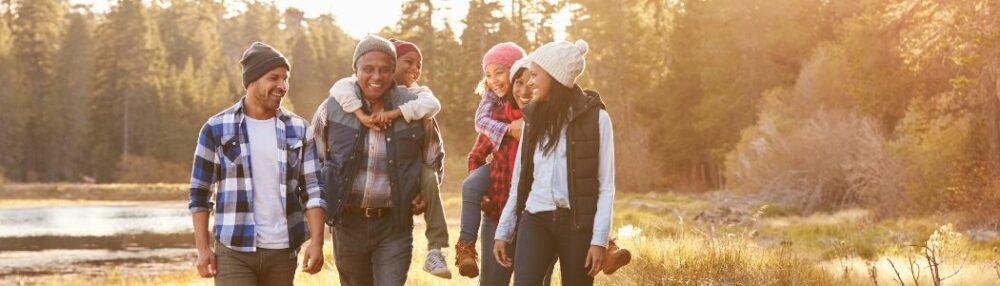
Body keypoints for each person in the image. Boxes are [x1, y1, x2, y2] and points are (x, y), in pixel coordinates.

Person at [188, 42, 326, 285]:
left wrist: (317, 242)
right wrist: (203, 249)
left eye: (285, 78)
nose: (282, 86)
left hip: (283, 251)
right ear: (251, 81)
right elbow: (200, 194)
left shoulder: (299, 129)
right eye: (273, 78)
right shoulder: (216, 128)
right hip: (233, 249)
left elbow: (313, 189)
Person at [312, 34, 440, 285]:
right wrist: (324, 200)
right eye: (368, 69)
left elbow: (433, 157)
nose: (376, 76)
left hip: (394, 224)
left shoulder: (415, 107)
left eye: (384, 70)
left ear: (393, 71)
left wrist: (424, 194)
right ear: (355, 69)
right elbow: (313, 161)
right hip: (348, 223)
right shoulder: (332, 108)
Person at [494, 40, 616, 286]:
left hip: (577, 225)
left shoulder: (598, 120)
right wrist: (503, 231)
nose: (529, 82)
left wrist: (599, 240)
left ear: (556, 77)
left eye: (535, 75)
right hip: (535, 219)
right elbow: (519, 181)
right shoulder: (532, 121)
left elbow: (606, 186)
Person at [455, 42, 527, 281]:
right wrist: (484, 195)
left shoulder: (543, 114)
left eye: (499, 72)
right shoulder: (495, 112)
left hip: (532, 219)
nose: (494, 79)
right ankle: (465, 246)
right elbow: (476, 154)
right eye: (489, 74)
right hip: (497, 214)